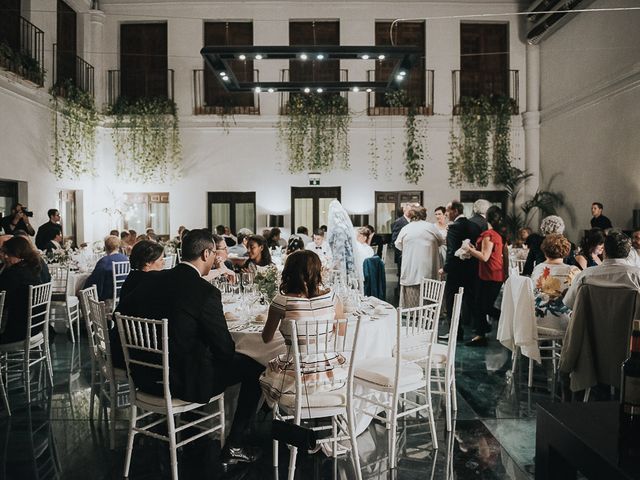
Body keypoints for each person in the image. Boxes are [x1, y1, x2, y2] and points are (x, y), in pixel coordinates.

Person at [115, 229, 264, 465]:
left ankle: (193, 427)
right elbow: (224, 351)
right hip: (183, 383)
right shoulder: (205, 292)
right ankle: (234, 445)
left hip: (142, 378)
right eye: (214, 253)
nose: (216, 258)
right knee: (256, 369)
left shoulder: (151, 279)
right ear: (206, 253)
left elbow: (122, 312)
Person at [259, 250, 345, 405]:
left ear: (288, 272)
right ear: (318, 271)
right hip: (331, 375)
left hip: (296, 379)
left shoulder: (281, 301)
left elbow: (266, 339)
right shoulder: (332, 297)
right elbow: (341, 330)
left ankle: (268, 418)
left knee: (262, 368)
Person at [564, 230, 640, 309]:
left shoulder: (584, 276)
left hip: (592, 320)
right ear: (628, 253)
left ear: (605, 251)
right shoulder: (637, 276)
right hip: (628, 320)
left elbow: (569, 304)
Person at [463, 206, 506, 346]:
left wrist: (468, 249)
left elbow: (485, 257)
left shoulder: (489, 234)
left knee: (484, 307)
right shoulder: (496, 234)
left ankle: (509, 322)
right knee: (480, 306)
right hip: (492, 274)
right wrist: (474, 249)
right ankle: (481, 335)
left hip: (490, 275)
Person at [442, 201, 482, 341]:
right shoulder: (475, 226)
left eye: (447, 211)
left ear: (455, 211)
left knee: (451, 301)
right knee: (472, 301)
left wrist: (446, 268)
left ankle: (455, 333)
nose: (446, 214)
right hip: (472, 269)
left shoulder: (454, 227)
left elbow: (451, 251)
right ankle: (479, 332)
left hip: (456, 271)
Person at [0, 236, 50, 344]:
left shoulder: (13, 273)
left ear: (18, 254)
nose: (5, 257)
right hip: (35, 328)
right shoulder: (33, 268)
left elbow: (3, 301)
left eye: (8, 254)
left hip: (16, 332)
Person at [395, 206, 445, 307]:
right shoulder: (430, 227)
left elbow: (398, 244)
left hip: (411, 265)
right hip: (428, 266)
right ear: (424, 216)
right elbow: (441, 241)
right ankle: (429, 310)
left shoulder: (406, 228)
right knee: (429, 286)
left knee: (412, 285)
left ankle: (411, 311)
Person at [531, 234, 581, 332]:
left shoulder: (538, 268)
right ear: (566, 252)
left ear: (544, 251)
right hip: (565, 324)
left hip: (537, 322)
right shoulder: (573, 270)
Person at [83, 235, 129, 303]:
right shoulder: (125, 259)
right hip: (124, 291)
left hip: (109, 293)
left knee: (84, 290)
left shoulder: (104, 261)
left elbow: (95, 279)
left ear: (106, 247)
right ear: (118, 247)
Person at [391, 204, 414, 275]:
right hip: (402, 253)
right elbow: (395, 239)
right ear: (404, 210)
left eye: (412, 211)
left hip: (411, 252)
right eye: (409, 210)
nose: (411, 212)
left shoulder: (413, 221)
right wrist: (401, 253)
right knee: (402, 273)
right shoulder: (399, 222)